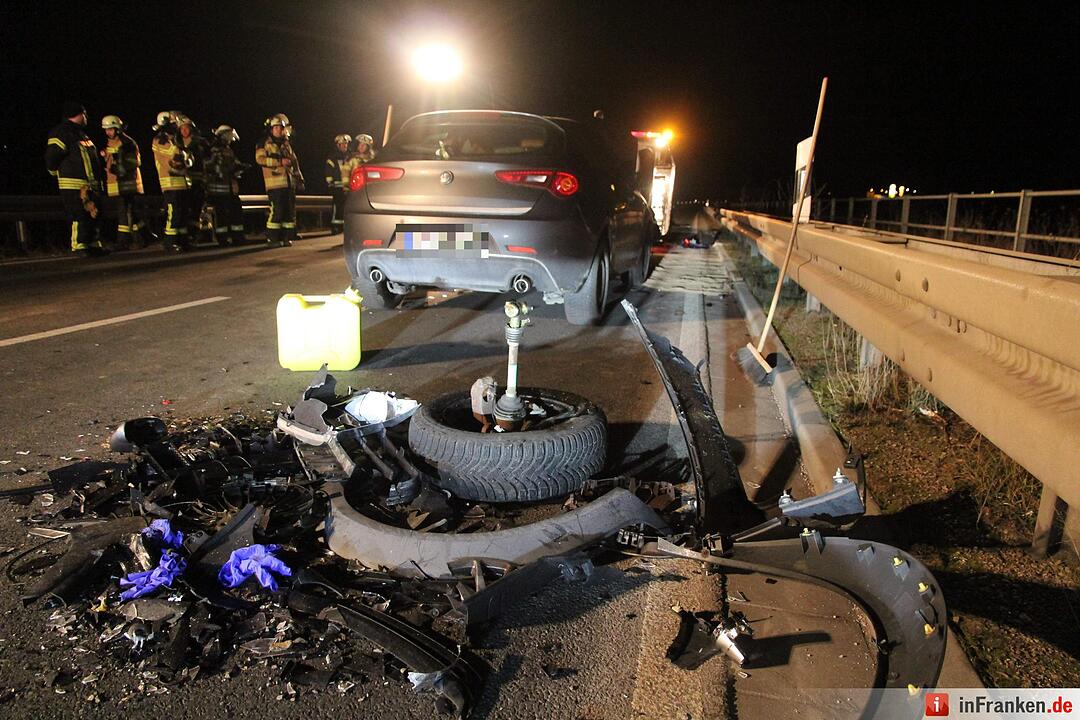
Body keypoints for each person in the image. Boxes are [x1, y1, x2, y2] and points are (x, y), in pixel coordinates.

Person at [45, 102, 106, 256]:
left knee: (93, 214)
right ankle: (79, 246)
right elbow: (52, 157)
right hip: (74, 184)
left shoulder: (79, 133)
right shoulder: (62, 132)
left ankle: (93, 244)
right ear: (78, 114)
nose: (86, 117)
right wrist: (55, 173)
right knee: (79, 215)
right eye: (84, 114)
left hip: (89, 184)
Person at [255, 113, 302, 247]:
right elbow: (260, 159)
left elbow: (294, 161)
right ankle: (272, 238)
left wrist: (299, 179)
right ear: (271, 129)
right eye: (276, 127)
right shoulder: (263, 143)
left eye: (281, 127)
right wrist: (280, 162)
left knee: (289, 211)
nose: (279, 130)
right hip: (274, 184)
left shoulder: (286, 144)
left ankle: (287, 237)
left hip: (289, 183)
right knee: (277, 210)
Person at [100, 115, 145, 249]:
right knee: (132, 212)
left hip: (127, 183)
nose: (108, 132)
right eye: (106, 129)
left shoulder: (128, 143)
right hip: (115, 184)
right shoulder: (106, 144)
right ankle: (143, 235)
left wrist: (117, 166)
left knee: (124, 212)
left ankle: (123, 241)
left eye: (111, 129)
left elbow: (135, 162)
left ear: (118, 129)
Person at [151, 110, 192, 251]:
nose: (177, 125)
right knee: (173, 213)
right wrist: (183, 153)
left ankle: (182, 240)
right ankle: (170, 242)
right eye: (175, 123)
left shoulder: (174, 138)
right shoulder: (160, 140)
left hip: (182, 182)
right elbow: (173, 155)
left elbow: (184, 157)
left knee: (183, 213)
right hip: (170, 183)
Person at [205, 125, 247, 246]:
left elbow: (234, 163)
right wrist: (228, 169)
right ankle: (222, 239)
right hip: (218, 189)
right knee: (221, 215)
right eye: (228, 136)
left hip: (230, 188)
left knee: (236, 212)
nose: (230, 139)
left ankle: (237, 237)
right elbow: (211, 166)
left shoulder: (228, 150)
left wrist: (240, 168)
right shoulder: (214, 150)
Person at [177, 115, 209, 240]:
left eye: (186, 128)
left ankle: (196, 234)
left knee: (197, 208)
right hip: (183, 182)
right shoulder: (177, 143)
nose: (184, 131)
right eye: (181, 129)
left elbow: (207, 160)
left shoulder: (200, 142)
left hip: (198, 181)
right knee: (186, 209)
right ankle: (188, 235)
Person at [324, 134, 356, 234]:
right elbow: (329, 171)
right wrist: (330, 183)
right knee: (337, 207)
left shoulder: (351, 157)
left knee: (347, 207)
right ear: (337, 145)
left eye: (345, 144)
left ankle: (345, 227)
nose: (344, 146)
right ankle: (336, 227)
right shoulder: (332, 157)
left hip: (348, 186)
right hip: (337, 186)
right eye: (342, 144)